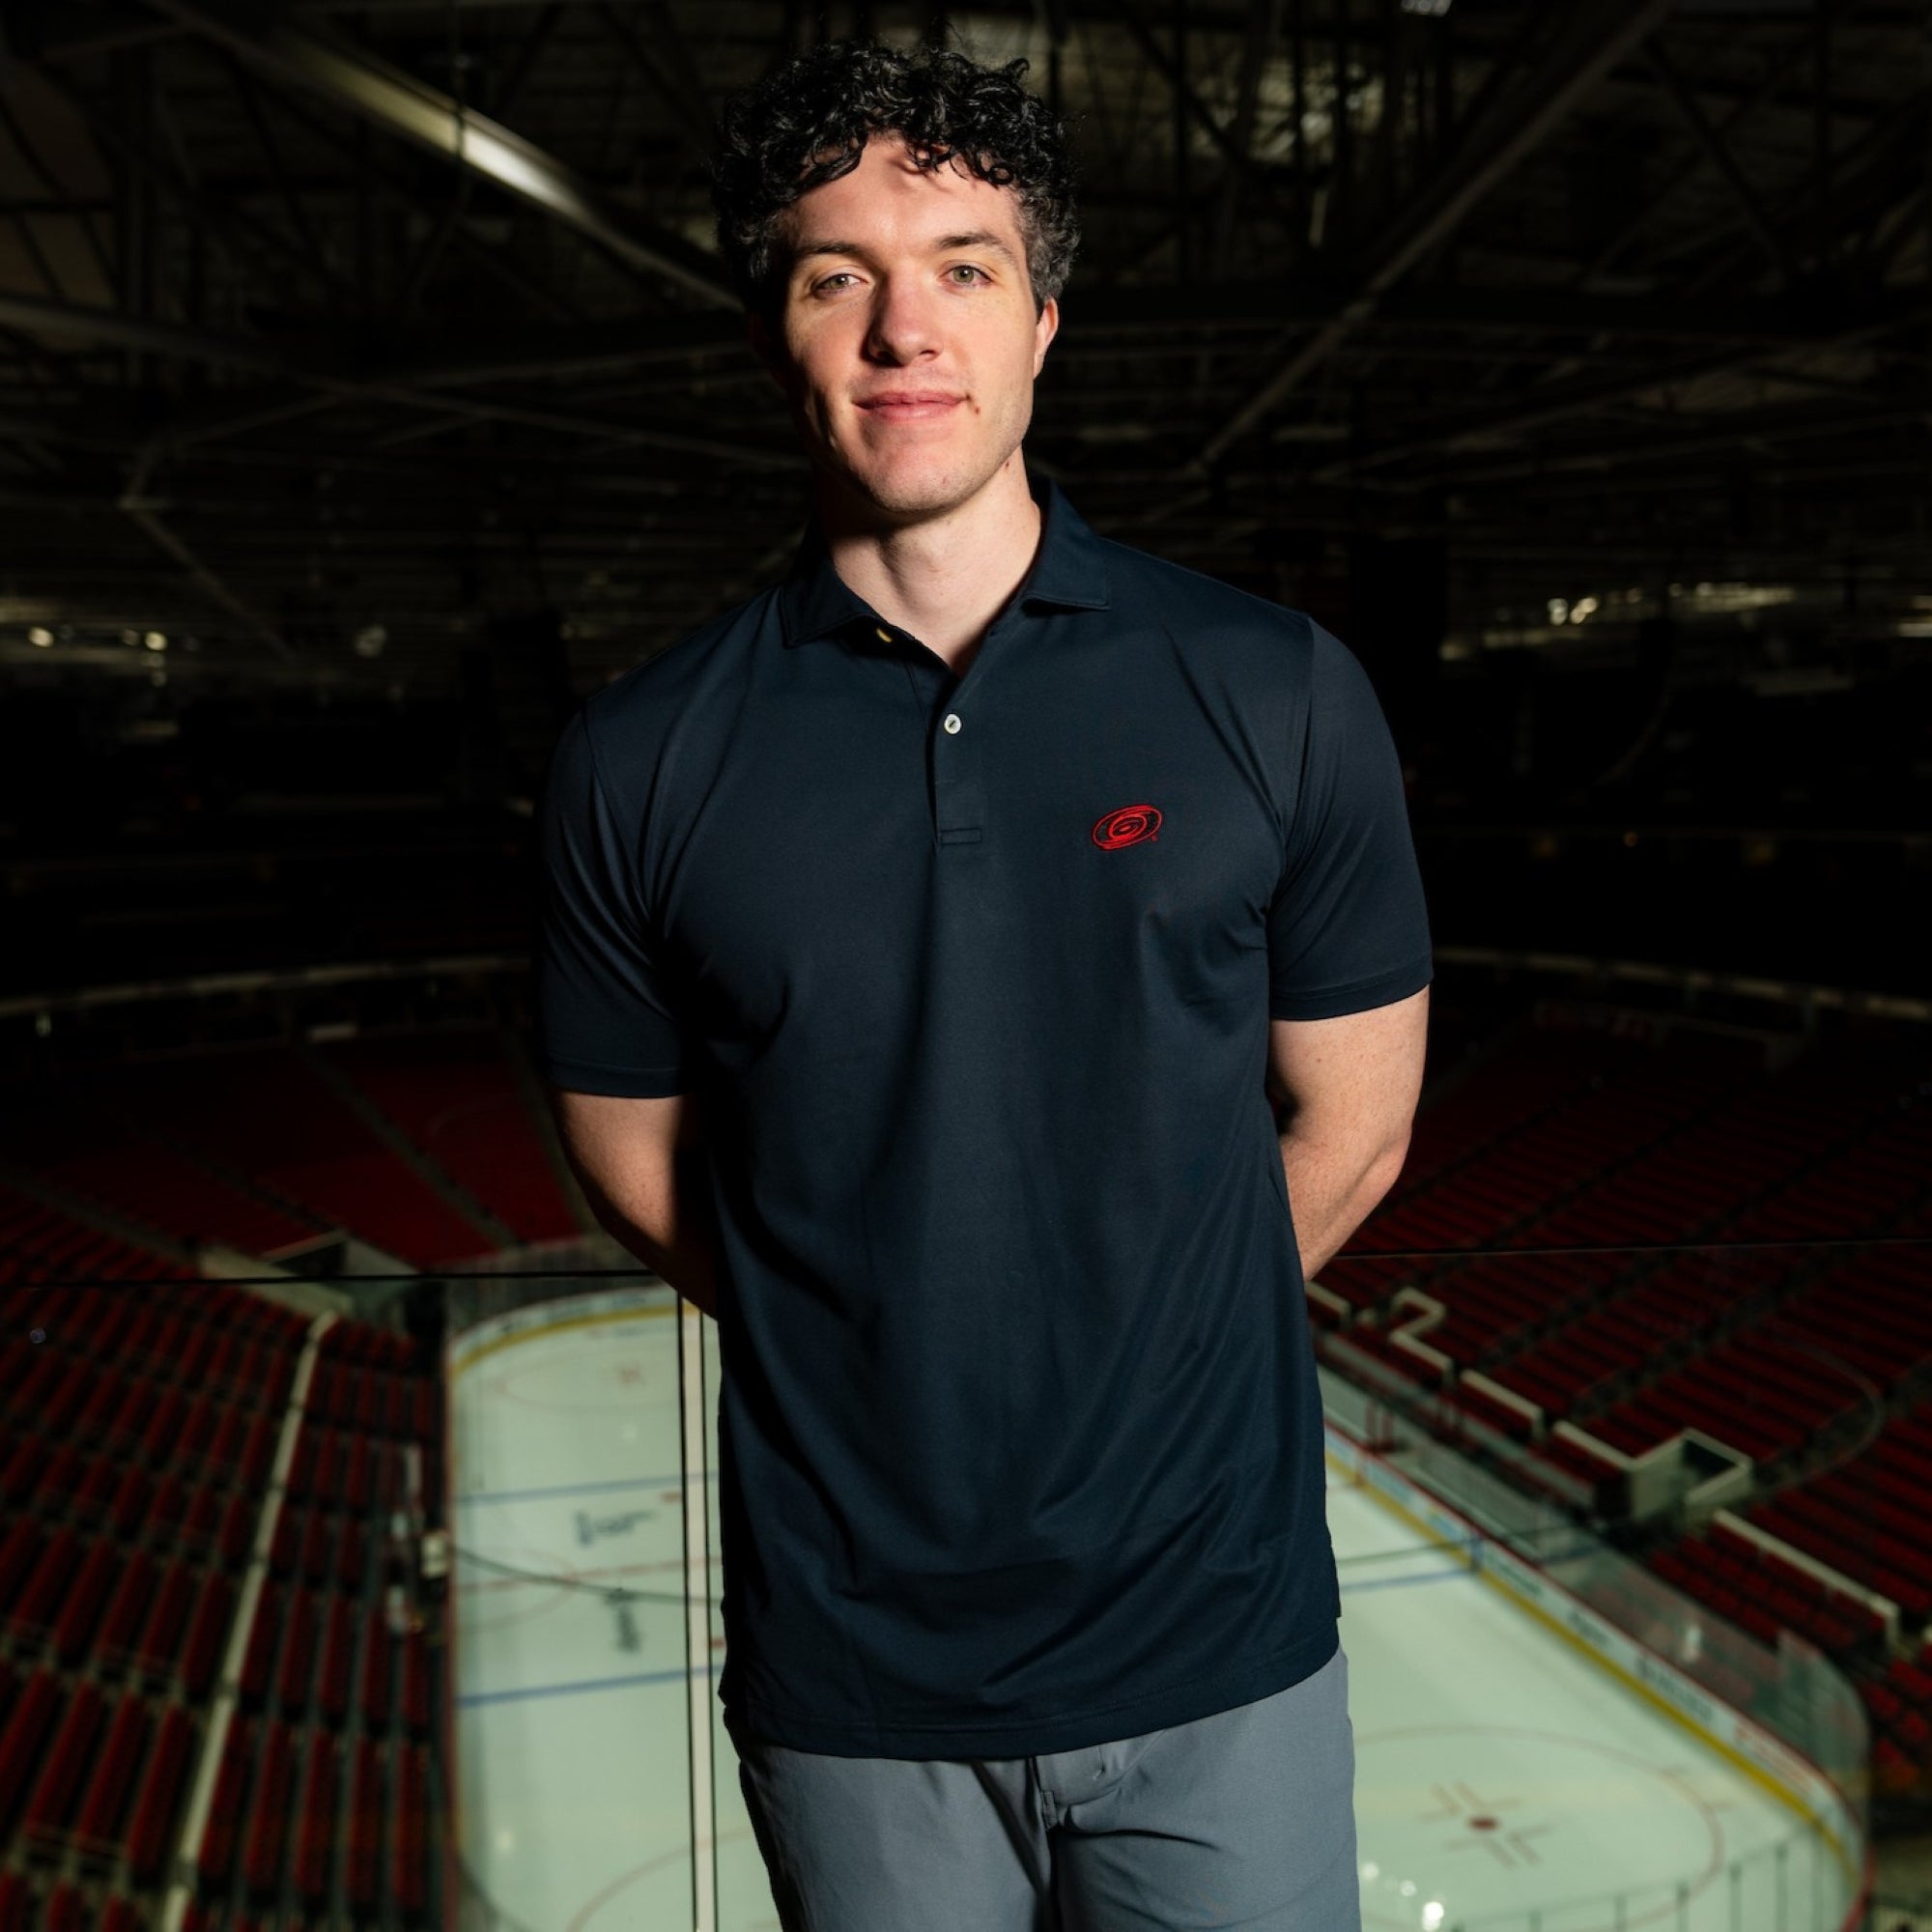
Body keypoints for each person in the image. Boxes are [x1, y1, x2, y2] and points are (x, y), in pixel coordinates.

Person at [535, 35, 1431, 1932]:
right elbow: (629, 1155)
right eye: (833, 274)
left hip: (1222, 1645)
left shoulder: (1269, 687)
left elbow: (1349, 1131)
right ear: (776, 332)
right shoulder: (641, 758)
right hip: (859, 1680)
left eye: (961, 265)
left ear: (1044, 322)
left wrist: (1136, 1355)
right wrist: (873, 1340)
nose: (899, 328)